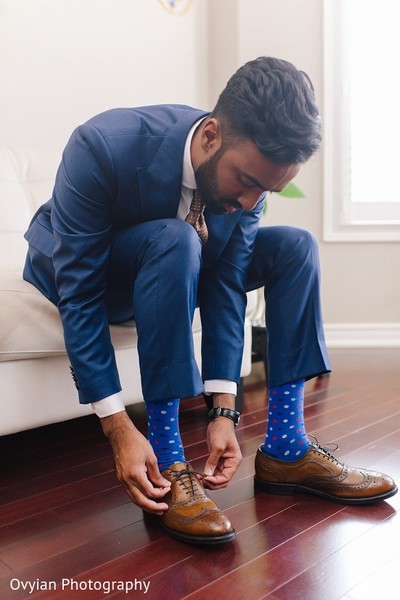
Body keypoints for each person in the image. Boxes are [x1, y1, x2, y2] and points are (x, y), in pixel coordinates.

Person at [23, 57, 397, 546]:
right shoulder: (103, 144)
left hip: (178, 261)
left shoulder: (249, 183)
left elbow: (225, 283)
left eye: (267, 190)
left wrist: (224, 410)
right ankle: (169, 461)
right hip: (93, 272)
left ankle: (287, 447)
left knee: (294, 246)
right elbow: (80, 290)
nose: (251, 202)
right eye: (246, 182)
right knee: (177, 239)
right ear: (211, 135)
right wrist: (117, 426)